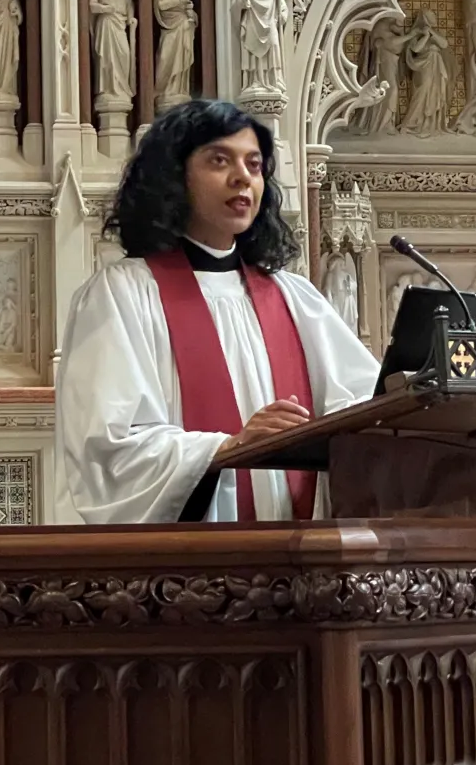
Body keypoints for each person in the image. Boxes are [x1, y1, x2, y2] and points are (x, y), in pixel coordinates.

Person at [54, 100, 382, 524]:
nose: (242, 177)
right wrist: (226, 448)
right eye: (219, 160)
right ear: (175, 176)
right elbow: (107, 446)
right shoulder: (124, 294)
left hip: (300, 558)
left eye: (254, 164)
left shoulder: (293, 297)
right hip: (190, 572)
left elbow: (363, 408)